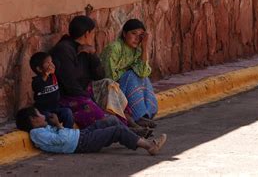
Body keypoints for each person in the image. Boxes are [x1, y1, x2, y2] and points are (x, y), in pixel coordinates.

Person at [50, 15, 147, 136]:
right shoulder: (64, 50)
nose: (93, 36)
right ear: (87, 34)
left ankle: (131, 122)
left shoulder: (85, 48)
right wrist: (89, 98)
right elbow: (70, 84)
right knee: (91, 108)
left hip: (85, 89)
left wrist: (93, 55)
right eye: (92, 33)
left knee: (108, 84)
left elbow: (99, 76)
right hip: (69, 96)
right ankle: (125, 130)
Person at [15, 107, 166, 156]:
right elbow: (63, 140)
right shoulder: (37, 134)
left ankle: (134, 135)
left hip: (80, 136)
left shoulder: (41, 129)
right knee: (116, 131)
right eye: (39, 114)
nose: (43, 116)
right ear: (33, 120)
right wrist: (58, 126)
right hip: (80, 143)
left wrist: (56, 126)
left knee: (111, 120)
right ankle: (149, 146)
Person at [101, 19, 158, 128]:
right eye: (133, 33)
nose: (137, 38)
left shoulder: (137, 50)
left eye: (141, 35)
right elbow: (109, 78)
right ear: (124, 33)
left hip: (122, 88)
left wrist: (145, 47)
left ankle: (147, 115)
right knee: (131, 75)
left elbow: (143, 72)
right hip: (108, 89)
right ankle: (138, 117)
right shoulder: (114, 48)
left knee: (143, 78)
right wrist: (128, 73)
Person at [30, 52, 74, 129]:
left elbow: (58, 64)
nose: (51, 65)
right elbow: (38, 87)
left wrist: (51, 65)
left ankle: (67, 133)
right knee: (49, 118)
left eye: (51, 62)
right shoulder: (37, 81)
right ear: (39, 69)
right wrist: (46, 74)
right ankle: (53, 133)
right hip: (43, 111)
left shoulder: (53, 76)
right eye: (48, 63)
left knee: (68, 112)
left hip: (56, 108)